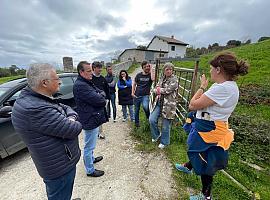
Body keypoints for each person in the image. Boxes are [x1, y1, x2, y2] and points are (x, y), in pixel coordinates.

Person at [175, 52, 249, 200]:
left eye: (211, 68)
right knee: (202, 153)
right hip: (211, 126)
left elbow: (192, 104)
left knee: (205, 161)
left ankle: (206, 196)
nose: (210, 71)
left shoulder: (222, 88)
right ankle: (188, 167)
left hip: (210, 129)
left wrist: (202, 87)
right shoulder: (226, 86)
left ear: (218, 69)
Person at [11, 63, 82, 200]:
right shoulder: (35, 108)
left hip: (55, 161)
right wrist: (72, 118)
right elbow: (74, 129)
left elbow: (63, 106)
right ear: (44, 82)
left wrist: (69, 117)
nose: (60, 81)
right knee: (60, 194)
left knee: (63, 193)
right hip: (59, 166)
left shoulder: (36, 98)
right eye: (56, 79)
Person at [73, 61, 107, 177]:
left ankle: (91, 159)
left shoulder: (86, 82)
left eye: (91, 70)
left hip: (92, 117)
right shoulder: (81, 85)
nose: (91, 73)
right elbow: (100, 100)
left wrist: (100, 95)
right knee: (89, 146)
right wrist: (101, 96)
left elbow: (100, 92)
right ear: (81, 72)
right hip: (89, 119)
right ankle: (90, 170)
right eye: (88, 71)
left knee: (90, 143)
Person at [149, 62, 178, 149]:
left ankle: (164, 142)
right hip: (159, 102)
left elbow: (167, 90)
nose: (169, 71)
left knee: (166, 124)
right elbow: (158, 85)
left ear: (172, 71)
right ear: (164, 71)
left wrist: (157, 90)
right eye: (167, 69)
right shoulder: (162, 78)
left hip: (169, 105)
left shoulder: (174, 79)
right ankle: (157, 135)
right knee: (152, 119)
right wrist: (158, 89)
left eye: (170, 69)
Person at [132, 61, 154, 127]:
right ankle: (137, 124)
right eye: (145, 67)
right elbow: (134, 84)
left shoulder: (150, 75)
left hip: (145, 95)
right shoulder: (138, 75)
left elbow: (154, 79)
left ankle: (148, 119)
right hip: (137, 95)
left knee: (145, 107)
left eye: (148, 66)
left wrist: (152, 69)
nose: (147, 68)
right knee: (136, 110)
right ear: (142, 68)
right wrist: (132, 93)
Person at [91, 61, 110, 139]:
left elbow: (106, 89)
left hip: (102, 101)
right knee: (93, 116)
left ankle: (100, 132)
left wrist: (108, 99)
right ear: (94, 68)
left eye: (101, 68)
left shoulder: (103, 78)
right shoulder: (90, 78)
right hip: (93, 101)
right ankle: (94, 132)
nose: (100, 69)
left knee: (100, 116)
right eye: (99, 68)